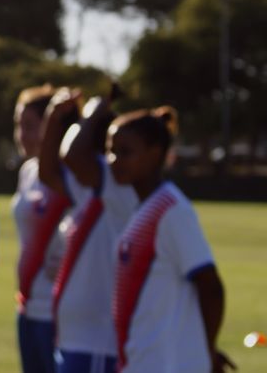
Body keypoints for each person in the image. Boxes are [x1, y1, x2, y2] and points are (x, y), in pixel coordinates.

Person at [109, 108, 233, 372]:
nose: (114, 160)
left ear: (155, 154)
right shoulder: (143, 208)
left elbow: (211, 286)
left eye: (125, 152)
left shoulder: (171, 210)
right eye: (112, 150)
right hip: (141, 361)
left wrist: (206, 350)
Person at [38, 88, 136, 373]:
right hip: (76, 338)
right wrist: (55, 119)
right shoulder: (90, 187)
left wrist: (95, 110)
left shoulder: (117, 184)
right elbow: (48, 172)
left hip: (98, 340)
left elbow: (71, 155)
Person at [10, 85, 68, 373]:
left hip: (57, 313)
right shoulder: (28, 172)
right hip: (27, 306)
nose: (23, 135)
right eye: (19, 126)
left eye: (31, 126)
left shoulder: (69, 175)